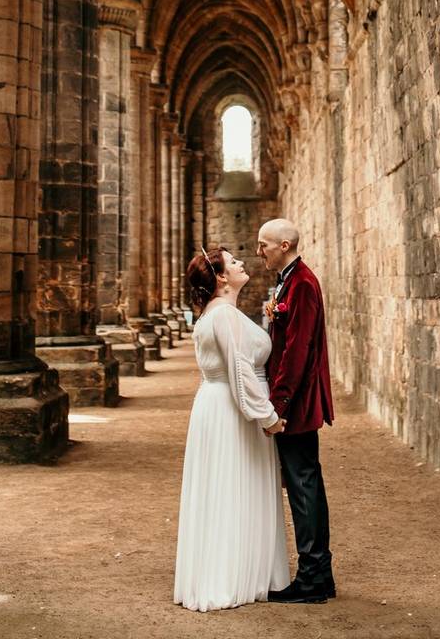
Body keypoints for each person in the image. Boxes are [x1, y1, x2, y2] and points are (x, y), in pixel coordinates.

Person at [173, 247, 291, 612]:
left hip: (214, 404)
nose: (242, 263)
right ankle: (231, 577)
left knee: (225, 486)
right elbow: (241, 370)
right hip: (230, 409)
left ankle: (230, 570)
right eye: (233, 261)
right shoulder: (223, 314)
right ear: (222, 277)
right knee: (234, 484)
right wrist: (267, 417)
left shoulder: (215, 313)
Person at [257, 218, 335, 604]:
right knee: (305, 484)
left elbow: (298, 349)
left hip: (297, 405)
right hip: (294, 402)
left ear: (284, 244)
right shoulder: (290, 280)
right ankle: (320, 574)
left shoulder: (302, 283)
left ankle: (312, 579)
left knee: (303, 487)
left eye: (264, 245)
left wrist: (278, 405)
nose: (259, 252)